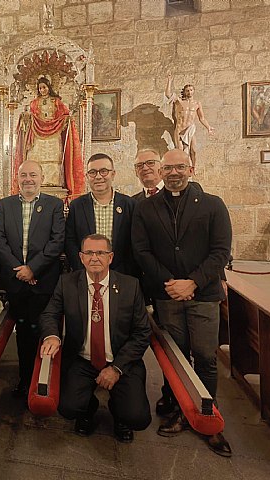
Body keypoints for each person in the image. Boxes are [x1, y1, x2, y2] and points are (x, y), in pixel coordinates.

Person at [132, 149, 233, 457]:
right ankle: (178, 410)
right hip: (168, 296)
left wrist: (193, 283)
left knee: (205, 358)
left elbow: (220, 250)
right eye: (168, 168)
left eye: (179, 167)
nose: (173, 172)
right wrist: (171, 284)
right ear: (160, 172)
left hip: (203, 295)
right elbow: (142, 250)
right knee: (175, 359)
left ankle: (208, 417)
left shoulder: (213, 205)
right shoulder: (146, 207)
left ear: (190, 168)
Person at [39, 234, 151, 442]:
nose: (95, 258)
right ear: (81, 257)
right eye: (89, 253)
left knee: (137, 417)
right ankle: (87, 410)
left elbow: (142, 333)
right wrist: (52, 335)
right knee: (67, 407)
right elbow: (49, 314)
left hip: (121, 360)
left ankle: (119, 414)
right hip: (83, 359)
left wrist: (116, 368)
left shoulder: (130, 286)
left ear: (111, 257)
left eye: (101, 253)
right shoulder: (67, 283)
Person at [0, 160, 65, 399]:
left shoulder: (54, 205)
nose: (28, 179)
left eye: (33, 174)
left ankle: (47, 381)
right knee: (23, 334)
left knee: (47, 331)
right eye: (23, 175)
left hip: (43, 282)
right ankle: (25, 380)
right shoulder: (6, 204)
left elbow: (57, 242)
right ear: (17, 177)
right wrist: (19, 270)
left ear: (41, 178)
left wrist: (33, 269)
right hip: (16, 283)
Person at [65, 153, 137, 276]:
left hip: (122, 274)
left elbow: (134, 242)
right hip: (86, 273)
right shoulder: (76, 206)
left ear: (113, 174)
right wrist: (81, 268)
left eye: (104, 171)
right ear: (87, 176)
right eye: (92, 172)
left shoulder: (129, 204)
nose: (98, 177)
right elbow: (70, 240)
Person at [13, 76, 84, 197]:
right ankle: (38, 181)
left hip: (54, 133)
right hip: (37, 134)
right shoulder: (34, 103)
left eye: (44, 87)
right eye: (40, 88)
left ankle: (53, 181)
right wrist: (26, 117)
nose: (42, 90)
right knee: (35, 155)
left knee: (53, 156)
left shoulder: (56, 101)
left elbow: (64, 113)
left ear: (49, 87)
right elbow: (31, 116)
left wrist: (66, 118)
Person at [165, 73, 214, 167]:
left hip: (190, 129)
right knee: (180, 152)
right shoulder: (179, 101)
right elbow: (168, 94)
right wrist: (169, 81)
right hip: (179, 129)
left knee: (194, 151)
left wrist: (208, 127)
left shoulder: (197, 104)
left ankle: (193, 167)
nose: (189, 92)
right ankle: (183, 169)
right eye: (187, 90)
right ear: (185, 92)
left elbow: (201, 118)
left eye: (191, 90)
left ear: (194, 91)